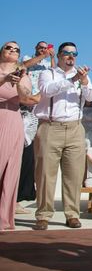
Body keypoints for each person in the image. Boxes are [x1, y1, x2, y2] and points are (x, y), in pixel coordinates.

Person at [33, 42, 92, 230]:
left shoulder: (83, 76)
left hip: (76, 129)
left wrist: (84, 83)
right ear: (59, 55)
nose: (71, 57)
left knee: (74, 175)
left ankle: (72, 214)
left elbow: (91, 98)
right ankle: (43, 215)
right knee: (45, 174)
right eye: (67, 53)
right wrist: (72, 80)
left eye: (74, 53)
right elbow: (46, 91)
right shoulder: (48, 74)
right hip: (50, 127)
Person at [0, 41, 38, 230]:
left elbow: (25, 99)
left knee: (12, 170)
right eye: (9, 47)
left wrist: (19, 85)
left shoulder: (23, 75)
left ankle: (4, 220)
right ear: (1, 51)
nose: (13, 51)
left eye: (17, 49)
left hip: (14, 119)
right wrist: (5, 79)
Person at [16, 41, 54, 213]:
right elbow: (25, 65)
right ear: (36, 49)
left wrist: (51, 58)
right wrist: (42, 56)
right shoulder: (27, 60)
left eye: (45, 48)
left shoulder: (47, 64)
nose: (43, 50)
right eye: (40, 47)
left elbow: (54, 75)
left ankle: (23, 195)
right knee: (23, 153)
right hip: (24, 106)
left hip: (37, 110)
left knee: (33, 153)